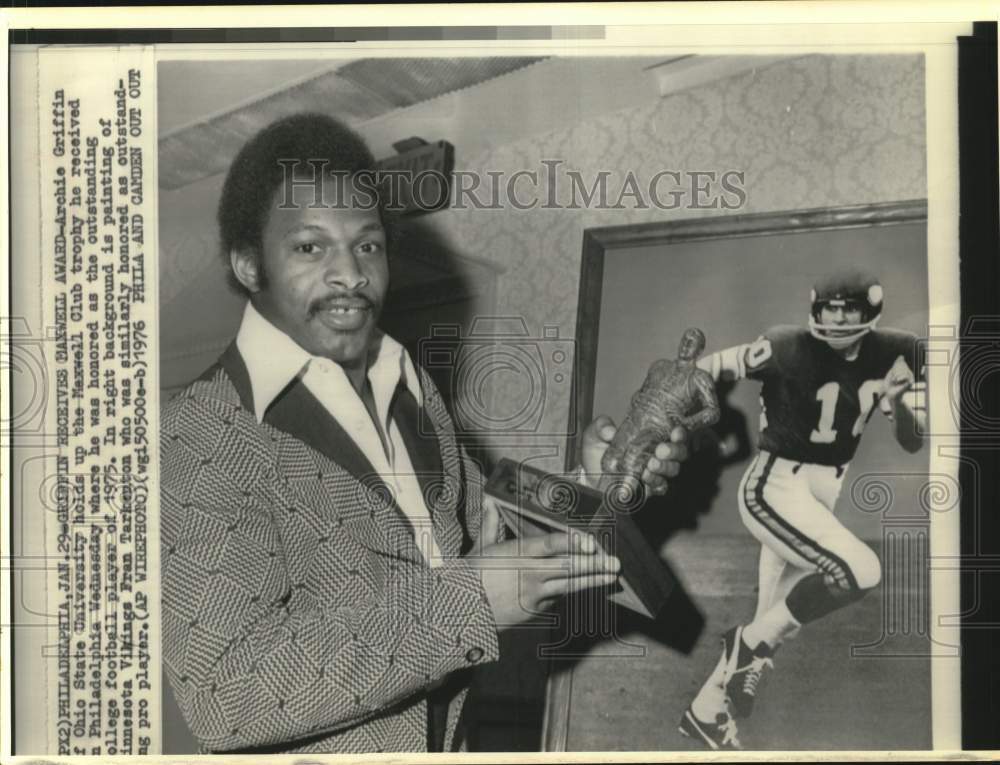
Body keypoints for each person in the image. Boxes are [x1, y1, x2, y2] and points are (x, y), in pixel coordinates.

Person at [159, 112, 689, 754]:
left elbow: (482, 531)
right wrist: (467, 605)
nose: (350, 273)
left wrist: (593, 483)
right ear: (248, 265)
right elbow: (226, 697)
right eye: (309, 246)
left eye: (368, 244)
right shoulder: (198, 433)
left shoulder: (405, 380)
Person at [678, 271, 926, 750]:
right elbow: (707, 370)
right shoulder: (785, 345)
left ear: (869, 313)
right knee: (861, 571)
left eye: (847, 309)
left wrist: (900, 401)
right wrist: (685, 416)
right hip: (775, 485)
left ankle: (705, 715)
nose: (836, 318)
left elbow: (913, 442)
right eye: (828, 308)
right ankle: (747, 644)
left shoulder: (896, 351)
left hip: (823, 493)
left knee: (774, 617)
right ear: (814, 309)